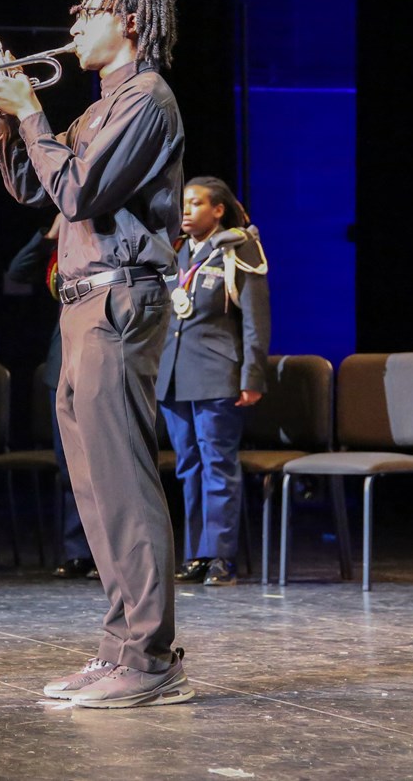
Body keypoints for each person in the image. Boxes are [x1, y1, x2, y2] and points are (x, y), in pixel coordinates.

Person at [0, 0, 190, 709]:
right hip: (82, 305)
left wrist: (30, 108)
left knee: (124, 484)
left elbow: (80, 190)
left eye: (85, 13)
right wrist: (6, 116)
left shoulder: (147, 100)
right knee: (95, 491)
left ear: (127, 19)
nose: (72, 27)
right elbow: (38, 188)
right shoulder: (98, 111)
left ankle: (150, 657)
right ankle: (120, 646)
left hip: (120, 302)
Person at [156, 177, 271, 588]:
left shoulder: (238, 249)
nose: (185, 211)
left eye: (195, 203)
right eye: (182, 204)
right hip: (174, 377)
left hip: (217, 374)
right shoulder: (176, 251)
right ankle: (195, 555)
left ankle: (219, 556)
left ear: (218, 210)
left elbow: (256, 321)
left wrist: (252, 376)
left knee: (217, 464)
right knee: (188, 467)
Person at [5, 215, 95, 579]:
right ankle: (78, 551)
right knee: (69, 465)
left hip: (99, 357)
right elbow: (18, 271)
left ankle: (109, 552)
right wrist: (50, 233)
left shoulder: (105, 234)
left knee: (103, 465)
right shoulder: (62, 244)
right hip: (62, 365)